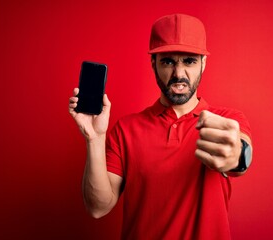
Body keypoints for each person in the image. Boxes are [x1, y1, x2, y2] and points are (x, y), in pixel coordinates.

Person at [69, 13, 253, 240]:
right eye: (168, 61)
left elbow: (241, 153)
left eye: (189, 61)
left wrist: (237, 155)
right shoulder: (126, 129)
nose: (178, 74)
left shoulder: (227, 120)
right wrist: (94, 137)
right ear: (153, 64)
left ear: (203, 64)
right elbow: (98, 207)